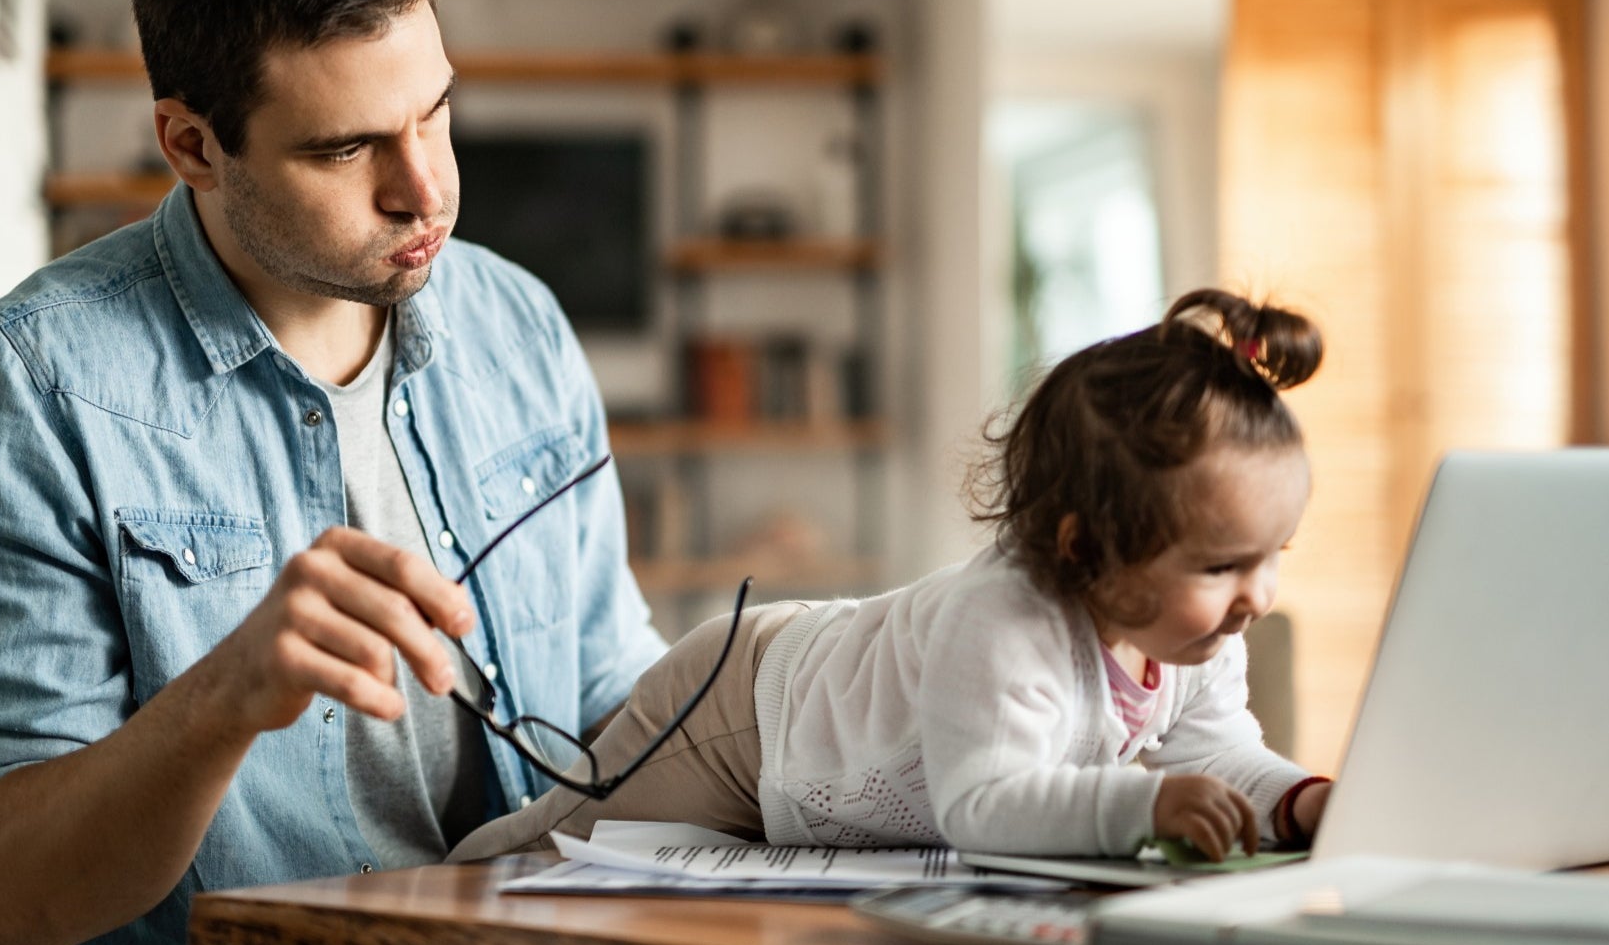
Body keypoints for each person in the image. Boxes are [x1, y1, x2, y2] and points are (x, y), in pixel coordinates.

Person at [0, 0, 705, 945]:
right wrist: (221, 698)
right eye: (343, 151)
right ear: (191, 143)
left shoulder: (517, 324)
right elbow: (9, 899)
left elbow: (608, 695)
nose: (421, 186)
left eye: (434, 111)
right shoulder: (27, 385)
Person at [452, 289, 1334, 866]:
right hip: (747, 714)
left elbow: (1218, 753)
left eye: (1273, 557)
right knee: (558, 845)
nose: (1257, 597)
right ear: (1084, 547)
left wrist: (1298, 801)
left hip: (809, 773)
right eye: (1222, 566)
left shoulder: (1195, 639)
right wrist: (1146, 804)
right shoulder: (1007, 619)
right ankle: (421, 922)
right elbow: (984, 804)